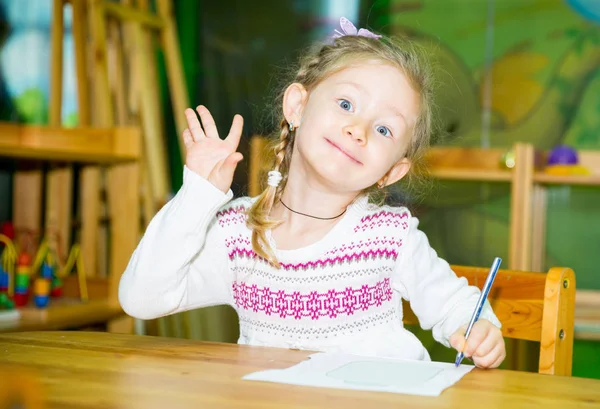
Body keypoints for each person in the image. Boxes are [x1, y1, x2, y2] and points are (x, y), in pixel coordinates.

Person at [119, 17, 506, 368]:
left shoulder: (390, 237)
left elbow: (456, 306)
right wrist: (197, 195)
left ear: (391, 172)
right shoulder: (238, 234)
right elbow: (142, 299)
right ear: (298, 106)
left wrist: (480, 327)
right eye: (345, 104)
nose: (359, 129)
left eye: (384, 129)